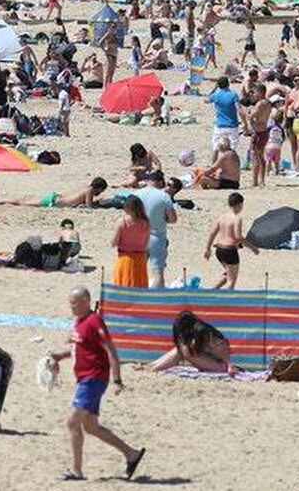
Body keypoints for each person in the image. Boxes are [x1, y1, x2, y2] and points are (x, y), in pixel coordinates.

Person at [48, 287, 144, 481]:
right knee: (91, 427)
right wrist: (59, 356)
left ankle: (77, 470)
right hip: (84, 378)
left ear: (86, 301)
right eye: (70, 302)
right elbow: (79, 349)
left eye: (74, 303)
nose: (71, 306)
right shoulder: (78, 322)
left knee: (72, 422)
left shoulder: (94, 321)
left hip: (93, 379)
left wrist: (117, 380)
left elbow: (111, 351)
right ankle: (131, 454)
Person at [148, 311, 235, 374]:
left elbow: (223, 351)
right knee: (181, 349)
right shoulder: (200, 330)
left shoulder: (201, 331)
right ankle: (150, 366)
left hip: (221, 366)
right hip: (219, 364)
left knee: (183, 350)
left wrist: (229, 365)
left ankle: (152, 368)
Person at [203, 192, 259, 289]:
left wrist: (207, 249)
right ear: (240, 204)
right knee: (232, 281)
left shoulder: (222, 217)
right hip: (229, 251)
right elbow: (238, 236)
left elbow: (212, 233)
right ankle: (226, 302)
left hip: (219, 250)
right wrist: (253, 248)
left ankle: (212, 291)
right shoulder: (237, 218)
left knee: (228, 273)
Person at [133, 176, 176, 289]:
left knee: (138, 270)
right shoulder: (164, 196)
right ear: (160, 182)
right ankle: (156, 300)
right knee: (158, 273)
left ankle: (136, 298)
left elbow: (130, 217)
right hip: (157, 236)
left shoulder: (136, 195)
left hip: (138, 236)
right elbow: (173, 219)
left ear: (147, 181)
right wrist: (163, 218)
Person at [109, 196, 149, 288]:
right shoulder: (145, 222)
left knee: (123, 289)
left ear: (126, 207)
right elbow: (146, 243)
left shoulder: (122, 222)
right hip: (140, 260)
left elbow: (113, 243)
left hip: (125, 258)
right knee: (139, 290)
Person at [208, 76, 241, 154]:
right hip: (232, 125)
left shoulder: (215, 95)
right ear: (228, 84)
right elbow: (239, 109)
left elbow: (206, 99)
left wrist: (214, 88)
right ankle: (233, 165)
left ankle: (214, 165)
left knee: (216, 149)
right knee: (232, 149)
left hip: (220, 125)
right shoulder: (233, 95)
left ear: (218, 85)